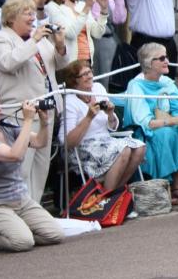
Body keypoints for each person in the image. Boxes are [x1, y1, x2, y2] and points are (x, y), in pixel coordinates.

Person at [0, 0, 66, 203]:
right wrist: (34, 40)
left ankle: (35, 212)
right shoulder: (2, 39)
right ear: (10, 18)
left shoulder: (40, 40)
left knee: (41, 167)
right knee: (22, 169)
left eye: (32, 13)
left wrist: (60, 45)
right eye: (26, 13)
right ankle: (19, 214)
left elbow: (59, 66)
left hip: (46, 110)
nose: (32, 17)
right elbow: (8, 63)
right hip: (20, 112)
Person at [123, 42, 178, 206]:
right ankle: (164, 186)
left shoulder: (168, 83)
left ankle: (177, 186)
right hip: (144, 133)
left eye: (167, 57)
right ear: (149, 63)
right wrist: (172, 121)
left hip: (165, 125)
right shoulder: (136, 86)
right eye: (162, 58)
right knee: (166, 133)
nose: (167, 61)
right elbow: (144, 122)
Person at [59, 60, 145, 191]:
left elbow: (112, 126)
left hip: (106, 141)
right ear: (74, 81)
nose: (89, 76)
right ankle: (108, 198)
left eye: (89, 71)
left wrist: (110, 114)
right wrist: (88, 117)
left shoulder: (98, 88)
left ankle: (115, 192)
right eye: (84, 74)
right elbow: (67, 142)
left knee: (139, 148)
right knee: (124, 149)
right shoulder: (70, 101)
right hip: (82, 147)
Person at [0, 98, 63, 252]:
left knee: (55, 234)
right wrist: (27, 120)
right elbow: (15, 155)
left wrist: (44, 122)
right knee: (23, 242)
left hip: (21, 200)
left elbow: (40, 142)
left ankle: (17, 229)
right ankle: (16, 232)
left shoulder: (6, 128)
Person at [73, 0, 127, 87]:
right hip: (90, 45)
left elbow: (120, 19)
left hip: (108, 46)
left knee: (107, 84)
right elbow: (94, 21)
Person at [44, 0, 108, 66]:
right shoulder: (52, 7)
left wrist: (104, 10)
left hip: (87, 62)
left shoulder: (80, 5)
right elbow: (70, 33)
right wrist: (87, 7)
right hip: (68, 65)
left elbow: (97, 33)